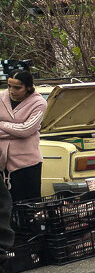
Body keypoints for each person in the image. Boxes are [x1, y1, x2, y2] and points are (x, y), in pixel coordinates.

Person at [0, 70, 47, 203]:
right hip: (2, 164)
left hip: (27, 165)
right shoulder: (1, 98)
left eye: (17, 87)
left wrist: (2, 124)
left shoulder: (39, 103)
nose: (11, 90)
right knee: (6, 208)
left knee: (28, 207)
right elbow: (22, 130)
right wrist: (16, 130)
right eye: (9, 86)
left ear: (28, 87)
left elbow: (26, 129)